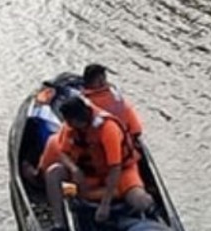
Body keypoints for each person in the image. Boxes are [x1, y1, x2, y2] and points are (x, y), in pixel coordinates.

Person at [39, 97, 154, 230]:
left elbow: (115, 168)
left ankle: (152, 214)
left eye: (70, 121)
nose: (68, 124)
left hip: (120, 174)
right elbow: (63, 153)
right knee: (54, 172)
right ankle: (60, 224)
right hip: (89, 175)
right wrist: (74, 169)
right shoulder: (70, 127)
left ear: (78, 118)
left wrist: (105, 204)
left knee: (139, 201)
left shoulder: (108, 129)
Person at [82, 64, 144, 139]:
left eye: (103, 78)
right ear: (88, 82)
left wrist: (135, 129)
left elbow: (127, 109)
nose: (102, 82)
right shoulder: (85, 101)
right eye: (98, 80)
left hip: (120, 134)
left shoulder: (115, 94)